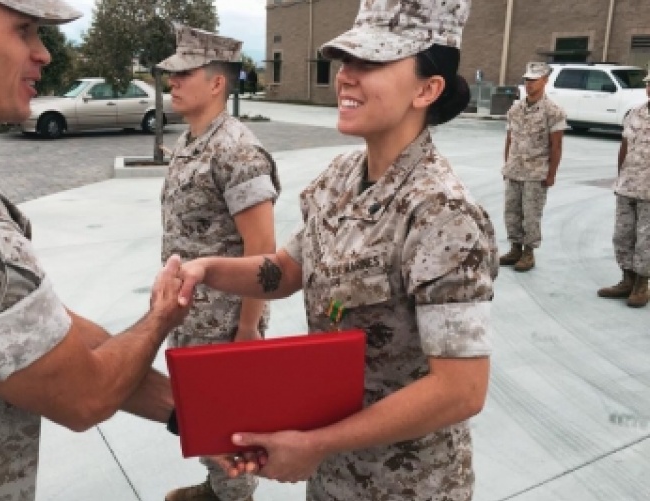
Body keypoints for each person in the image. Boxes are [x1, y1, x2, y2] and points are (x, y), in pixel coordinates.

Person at [177, 0, 498, 499]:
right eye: (346, 60)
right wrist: (205, 269)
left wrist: (318, 443)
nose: (345, 76)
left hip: (406, 484)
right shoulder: (342, 178)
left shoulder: (442, 213)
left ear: (427, 89)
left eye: (370, 63)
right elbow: (286, 270)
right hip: (333, 475)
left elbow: (461, 389)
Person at [0, 1, 191, 499]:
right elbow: (83, 394)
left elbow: (44, 332)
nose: (43, 55)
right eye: (24, 30)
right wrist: (161, 316)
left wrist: (187, 411)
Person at [156, 23, 280, 501]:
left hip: (226, 321)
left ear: (217, 83)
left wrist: (247, 330)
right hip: (193, 314)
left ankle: (233, 497)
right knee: (202, 416)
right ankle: (215, 487)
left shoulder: (237, 151)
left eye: (185, 73)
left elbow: (263, 252)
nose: (174, 81)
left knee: (232, 425)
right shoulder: (193, 140)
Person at [499, 61, 567, 272]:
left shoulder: (553, 111)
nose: (529, 84)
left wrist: (551, 174)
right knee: (511, 212)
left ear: (545, 81)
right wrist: (507, 164)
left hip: (536, 172)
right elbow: (510, 139)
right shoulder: (516, 109)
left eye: (534, 80)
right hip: (515, 170)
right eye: (527, 80)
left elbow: (556, 146)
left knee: (531, 214)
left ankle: (529, 252)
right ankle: (515, 248)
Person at [597, 74, 650, 307]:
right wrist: (620, 177)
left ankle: (642, 284)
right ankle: (627, 279)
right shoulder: (636, 112)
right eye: (649, 83)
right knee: (622, 235)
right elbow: (625, 146)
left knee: (646, 240)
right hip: (628, 185)